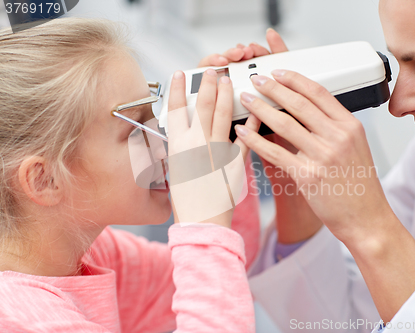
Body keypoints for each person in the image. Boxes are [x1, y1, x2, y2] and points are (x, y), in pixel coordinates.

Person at [203, 0, 415, 331]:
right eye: (400, 63)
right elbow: (342, 322)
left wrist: (374, 229)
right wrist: (290, 162)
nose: (397, 104)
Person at [0, 17, 261, 332]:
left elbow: (223, 270)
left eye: (156, 117)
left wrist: (223, 127)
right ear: (44, 180)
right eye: (136, 128)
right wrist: (203, 227)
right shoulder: (20, 319)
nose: (167, 144)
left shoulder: (88, 253)